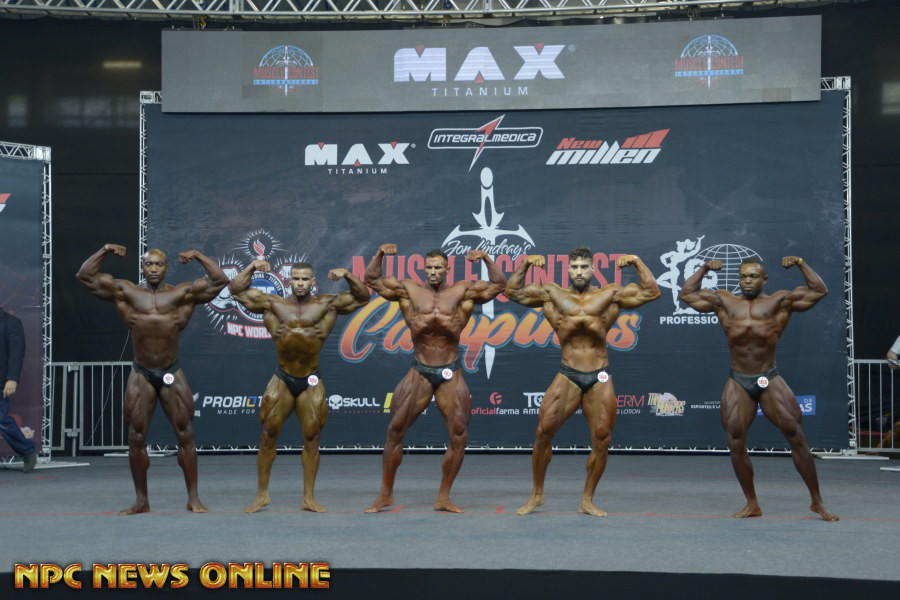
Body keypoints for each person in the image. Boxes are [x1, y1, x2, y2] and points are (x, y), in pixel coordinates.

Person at [679, 256, 838, 521]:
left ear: (764, 279)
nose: (747, 281)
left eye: (753, 276)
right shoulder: (724, 301)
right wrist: (704, 268)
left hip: (769, 377)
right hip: (738, 380)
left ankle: (817, 502)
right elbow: (687, 294)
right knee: (735, 440)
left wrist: (800, 263)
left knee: (796, 436)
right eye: (743, 276)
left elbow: (819, 291)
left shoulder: (780, 301)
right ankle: (752, 503)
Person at [506, 247, 661, 516]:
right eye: (575, 267)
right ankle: (537, 494)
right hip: (568, 372)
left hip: (599, 374)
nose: (579, 272)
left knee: (602, 439)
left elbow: (651, 292)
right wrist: (525, 264)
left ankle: (587, 499)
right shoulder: (552, 293)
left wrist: (637, 261)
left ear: (592, 269)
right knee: (543, 433)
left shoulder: (610, 294)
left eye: (584, 267)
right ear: (568, 269)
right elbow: (512, 292)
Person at [76, 244, 228, 515]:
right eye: (149, 264)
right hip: (141, 373)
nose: (154, 269)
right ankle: (141, 501)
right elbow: (85, 276)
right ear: (142, 267)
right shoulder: (127, 292)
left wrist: (198, 255)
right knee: (135, 437)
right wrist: (104, 250)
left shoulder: (182, 293)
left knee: (185, 434)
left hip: (171, 370)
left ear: (166, 268)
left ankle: (194, 499)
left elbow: (219, 281)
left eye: (159, 265)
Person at [364, 244, 506, 513]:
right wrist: (379, 253)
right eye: (429, 267)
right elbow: (372, 279)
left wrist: (487, 258)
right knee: (395, 430)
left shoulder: (462, 291)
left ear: (447, 269)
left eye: (438, 267)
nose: (433, 271)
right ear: (424, 268)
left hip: (450, 371)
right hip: (420, 370)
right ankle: (385, 494)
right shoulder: (409, 289)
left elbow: (499, 285)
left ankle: (444, 497)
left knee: (459, 435)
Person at [229, 259, 370, 513]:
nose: (300, 283)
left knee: (312, 438)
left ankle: (308, 498)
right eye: (296, 279)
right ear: (289, 281)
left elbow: (362, 297)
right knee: (267, 435)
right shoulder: (272, 304)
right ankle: (262, 495)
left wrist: (348, 274)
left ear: (312, 282)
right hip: (282, 378)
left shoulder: (327, 304)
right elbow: (236, 291)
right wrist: (251, 267)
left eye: (305, 279)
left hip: (310, 379)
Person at [1, 306, 37, 473]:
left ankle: (27, 449)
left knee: (1, 419)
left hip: (2, 380)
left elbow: (16, 353)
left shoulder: (11, 322)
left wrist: (12, 379)